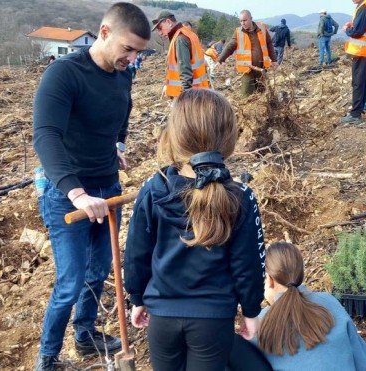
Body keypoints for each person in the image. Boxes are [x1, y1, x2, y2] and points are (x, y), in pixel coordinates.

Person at [32, 3, 150, 371]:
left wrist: (117, 145)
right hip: (68, 195)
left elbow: (121, 112)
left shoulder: (123, 75)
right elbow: (45, 135)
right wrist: (75, 192)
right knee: (70, 282)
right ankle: (47, 358)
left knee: (99, 272)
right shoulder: (64, 75)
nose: (131, 59)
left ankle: (85, 337)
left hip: (108, 188)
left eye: (138, 52)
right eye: (127, 49)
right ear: (103, 33)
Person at [124, 88, 266, 371]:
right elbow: (248, 264)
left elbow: (136, 252)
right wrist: (251, 311)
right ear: (229, 138)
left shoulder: (153, 190)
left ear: (175, 136)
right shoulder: (241, 196)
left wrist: (137, 297)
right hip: (213, 321)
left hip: (161, 316)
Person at [226, 242, 366, 371]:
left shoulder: (260, 323)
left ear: (269, 279)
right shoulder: (329, 301)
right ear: (301, 273)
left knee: (227, 345)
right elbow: (364, 362)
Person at [339, 0, 366, 125]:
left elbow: (357, 32)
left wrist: (347, 29)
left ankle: (355, 114)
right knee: (363, 82)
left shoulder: (365, 8)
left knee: (358, 83)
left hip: (362, 52)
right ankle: (360, 110)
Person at [216, 9, 277, 97]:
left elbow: (269, 43)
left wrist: (274, 60)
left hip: (261, 68)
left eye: (245, 20)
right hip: (247, 70)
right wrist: (220, 60)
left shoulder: (262, 28)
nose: (242, 23)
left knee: (263, 93)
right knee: (246, 95)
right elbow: (230, 47)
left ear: (251, 18)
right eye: (241, 21)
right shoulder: (238, 32)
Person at [152, 11, 209, 98]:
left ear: (169, 22)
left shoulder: (180, 39)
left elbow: (185, 71)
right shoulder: (188, 34)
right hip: (199, 91)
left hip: (192, 95)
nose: (160, 33)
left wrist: (184, 97)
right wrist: (167, 85)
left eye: (160, 28)